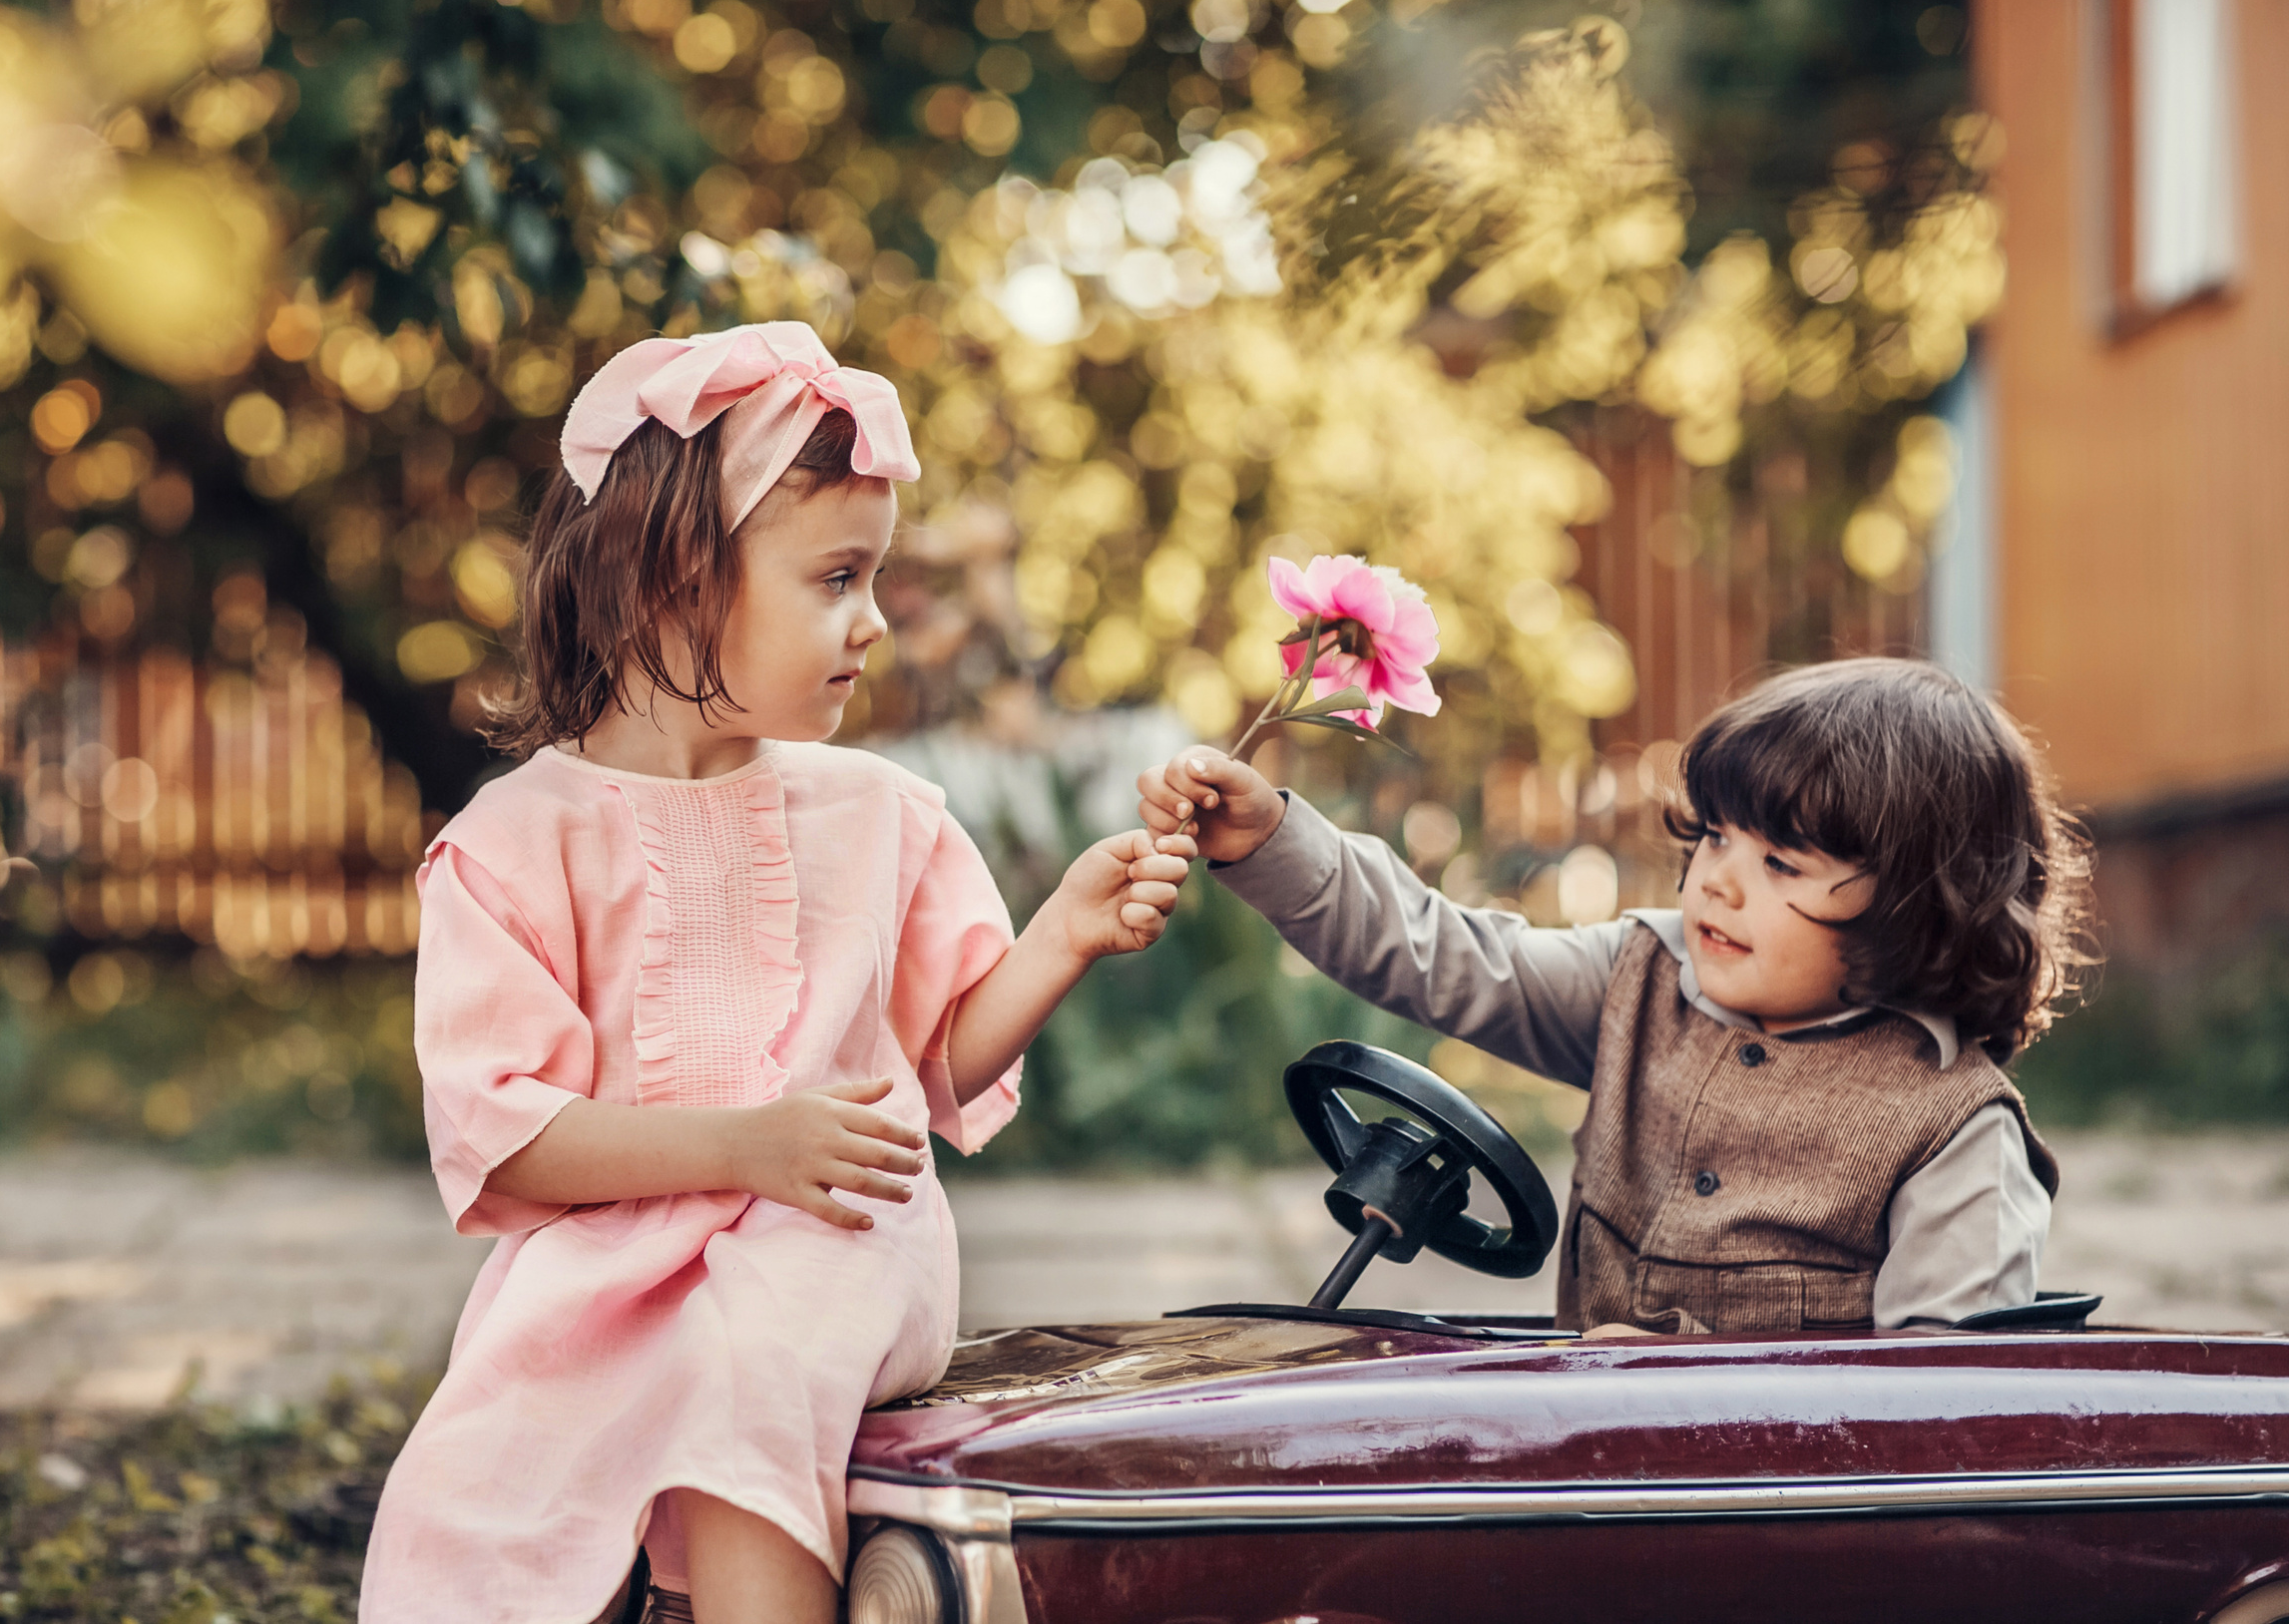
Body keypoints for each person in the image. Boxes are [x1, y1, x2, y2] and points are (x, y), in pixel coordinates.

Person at [362, 322, 1194, 1624]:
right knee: (482, 1472)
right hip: (613, 1264)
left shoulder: (881, 813)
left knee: (746, 1359)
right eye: (835, 578)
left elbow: (931, 1073)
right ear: (677, 583)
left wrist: (1061, 939)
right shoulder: (510, 848)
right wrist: (746, 1143)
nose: (872, 622)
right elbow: (504, 1140)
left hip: (838, 1240)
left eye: (875, 578)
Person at [1138, 656, 2092, 1338]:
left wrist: (1682, 1395)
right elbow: (1442, 957)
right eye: (1714, 837)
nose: (1718, 881)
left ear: (1923, 905)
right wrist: (1270, 842)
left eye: (1782, 862)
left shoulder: (1954, 1135)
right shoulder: (1642, 979)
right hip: (1587, 1510)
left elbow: (1941, 1426)